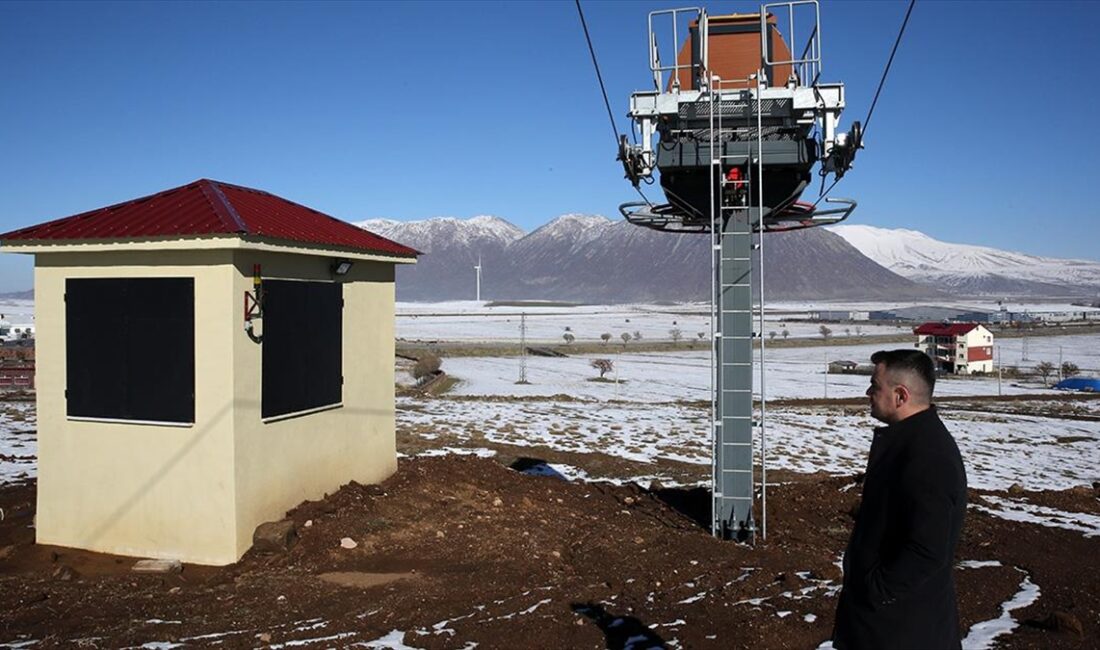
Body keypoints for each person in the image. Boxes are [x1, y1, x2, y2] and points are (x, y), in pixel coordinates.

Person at [833, 349, 968, 649]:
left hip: (901, 632)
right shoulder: (909, 442)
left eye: (875, 385)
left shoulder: (928, 456)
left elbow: (927, 550)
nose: (868, 393)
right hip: (885, 627)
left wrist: (875, 592)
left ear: (900, 396)